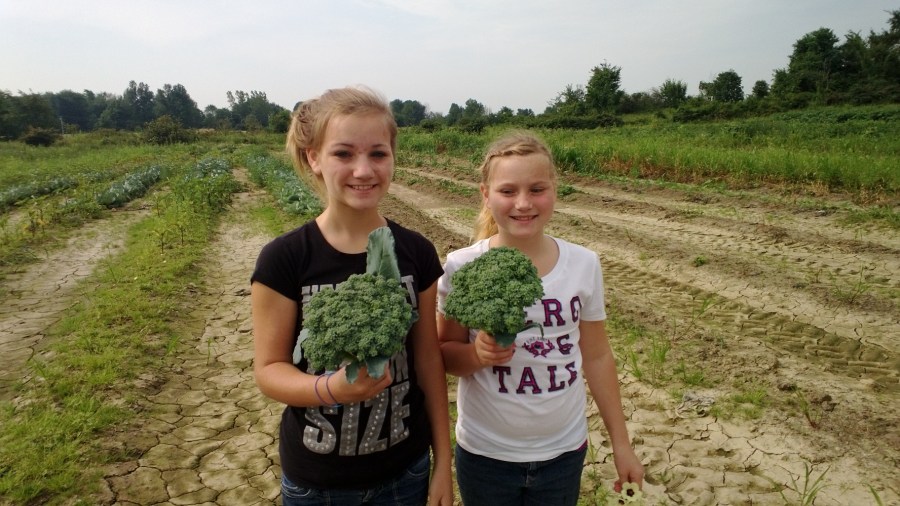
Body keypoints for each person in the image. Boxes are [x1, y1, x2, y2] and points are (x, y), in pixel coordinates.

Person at [251, 86, 453, 506]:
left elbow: (428, 360)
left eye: (378, 153)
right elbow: (269, 370)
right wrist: (332, 389)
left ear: (393, 157)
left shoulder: (416, 251)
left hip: (406, 472)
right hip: (318, 482)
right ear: (314, 158)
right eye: (343, 154)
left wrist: (443, 463)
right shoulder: (285, 258)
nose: (363, 170)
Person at [436, 131, 644, 505]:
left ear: (554, 191)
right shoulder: (461, 266)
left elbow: (597, 357)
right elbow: (445, 354)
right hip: (486, 455)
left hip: (563, 453)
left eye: (536, 189)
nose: (523, 203)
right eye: (507, 191)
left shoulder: (583, 264)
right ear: (486, 195)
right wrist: (477, 354)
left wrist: (621, 444)